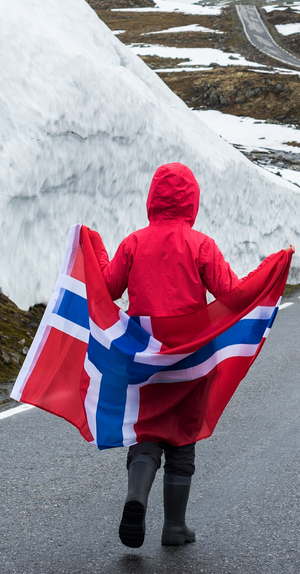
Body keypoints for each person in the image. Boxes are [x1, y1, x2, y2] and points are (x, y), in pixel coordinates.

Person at [95, 161, 243, 548]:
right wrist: (269, 272)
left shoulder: (133, 242)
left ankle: (136, 496)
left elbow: (108, 287)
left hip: (144, 356)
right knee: (182, 435)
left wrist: (94, 248)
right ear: (192, 201)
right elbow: (232, 293)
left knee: (147, 429)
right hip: (189, 357)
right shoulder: (201, 245)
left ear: (153, 199)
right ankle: (174, 527)